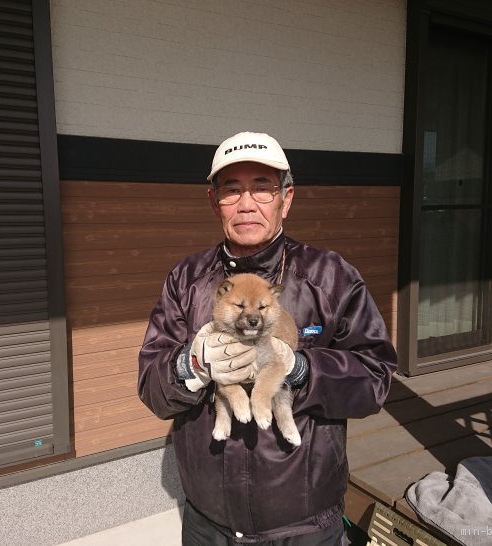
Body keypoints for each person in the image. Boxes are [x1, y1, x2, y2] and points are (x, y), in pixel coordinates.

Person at [138, 131, 397, 545]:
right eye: (231, 190)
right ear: (213, 201)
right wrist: (191, 364)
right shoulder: (186, 280)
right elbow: (151, 385)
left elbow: (376, 378)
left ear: (286, 199)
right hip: (209, 522)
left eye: (263, 189)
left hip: (304, 522)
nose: (246, 204)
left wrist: (301, 369)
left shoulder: (330, 277)